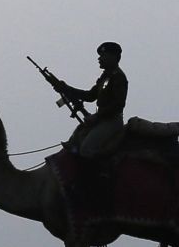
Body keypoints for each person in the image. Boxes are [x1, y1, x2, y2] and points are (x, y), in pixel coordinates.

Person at [47, 42, 127, 205]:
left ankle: (95, 186)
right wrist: (65, 88)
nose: (99, 58)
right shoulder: (105, 77)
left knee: (87, 149)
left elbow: (118, 104)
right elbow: (91, 95)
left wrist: (96, 118)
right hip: (102, 120)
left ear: (114, 57)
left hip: (111, 122)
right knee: (74, 143)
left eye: (103, 55)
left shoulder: (118, 77)